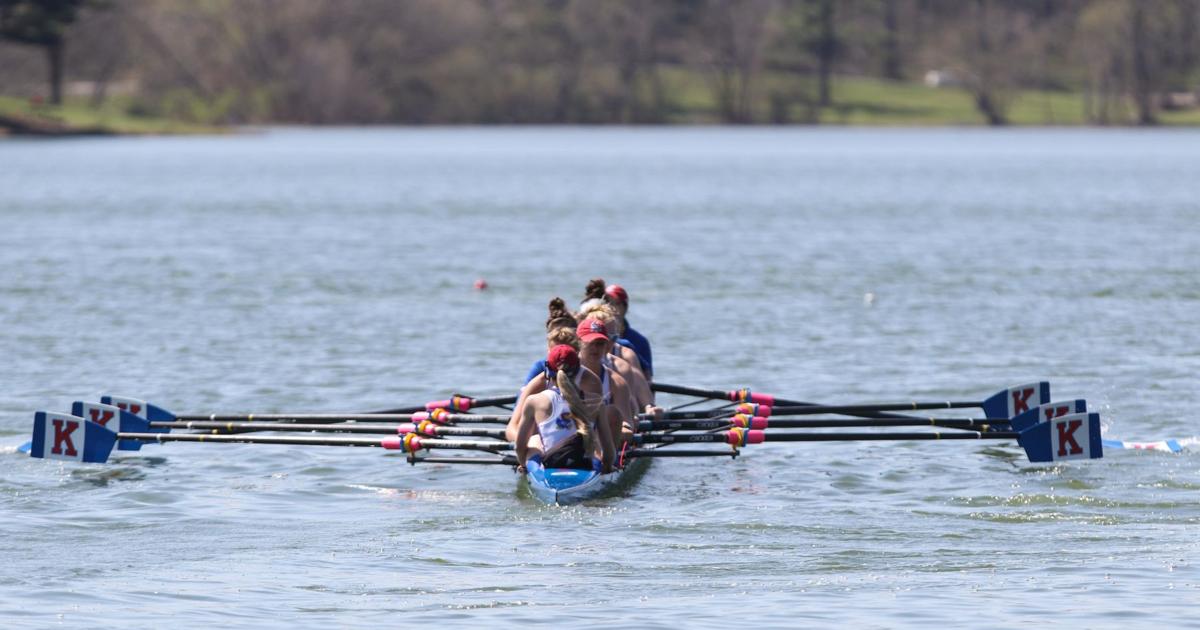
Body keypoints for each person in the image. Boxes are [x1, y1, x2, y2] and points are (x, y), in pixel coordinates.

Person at [514, 344, 615, 474]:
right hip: (584, 465)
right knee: (595, 445)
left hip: (550, 465)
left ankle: (532, 471)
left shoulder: (534, 401)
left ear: (548, 371)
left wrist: (524, 465)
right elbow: (608, 450)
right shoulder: (595, 401)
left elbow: (519, 447)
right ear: (579, 370)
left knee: (534, 439)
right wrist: (607, 468)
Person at [603, 283, 652, 379]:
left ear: (625, 307)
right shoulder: (595, 337)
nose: (610, 307)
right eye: (607, 303)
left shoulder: (641, 341)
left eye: (616, 303)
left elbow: (648, 378)